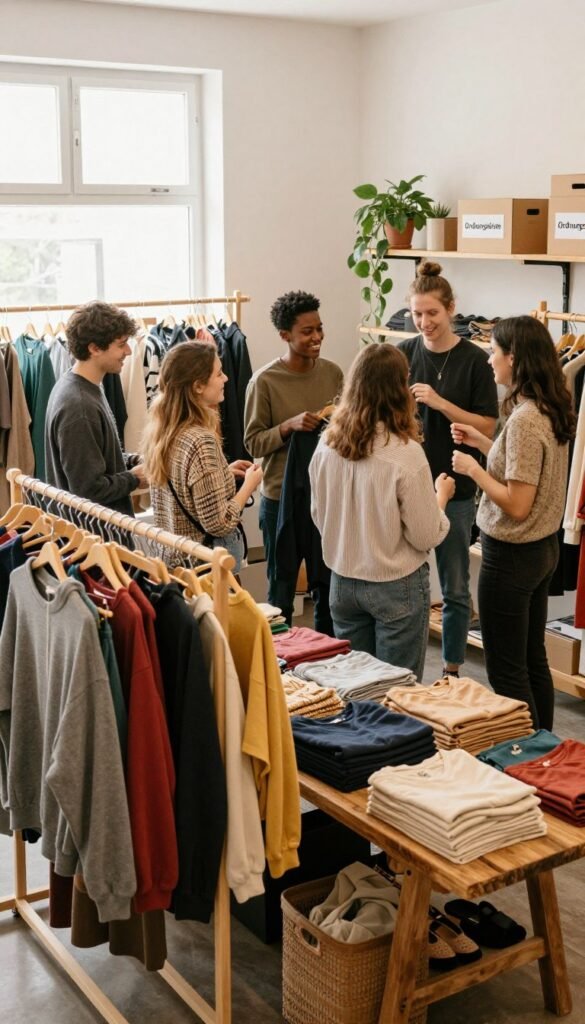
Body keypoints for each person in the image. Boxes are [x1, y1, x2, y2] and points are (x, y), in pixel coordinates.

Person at [451, 316, 576, 730]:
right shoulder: (548, 408)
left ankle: (522, 760)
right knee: (531, 659)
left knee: (506, 670)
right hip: (541, 552)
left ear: (514, 358)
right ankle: (545, 751)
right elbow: (525, 473)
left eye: (494, 352)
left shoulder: (524, 420)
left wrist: (473, 469)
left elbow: (517, 503)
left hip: (512, 556)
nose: (489, 361)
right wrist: (485, 444)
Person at [309, 343, 454, 680]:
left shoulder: (327, 443)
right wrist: (441, 497)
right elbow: (425, 534)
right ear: (398, 389)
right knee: (397, 696)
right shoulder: (406, 454)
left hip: (343, 582)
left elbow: (320, 515)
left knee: (357, 692)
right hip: (396, 584)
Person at [398, 261, 499, 678]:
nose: (424, 322)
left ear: (451, 308)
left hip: (457, 488)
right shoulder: (403, 354)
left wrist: (439, 403)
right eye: (417, 314)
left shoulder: (475, 361)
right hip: (407, 490)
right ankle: (406, 674)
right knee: (408, 587)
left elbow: (489, 426)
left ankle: (452, 672)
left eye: (432, 313)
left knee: (455, 587)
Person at [244, 290, 343, 623]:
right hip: (278, 500)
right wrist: (288, 426)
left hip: (323, 496)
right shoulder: (265, 382)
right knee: (281, 589)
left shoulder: (333, 373)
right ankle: (281, 667)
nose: (316, 337)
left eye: (319, 328)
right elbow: (253, 444)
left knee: (327, 587)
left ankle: (328, 663)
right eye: (307, 331)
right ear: (285, 335)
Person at [142, 341, 262, 571]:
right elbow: (220, 523)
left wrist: (221, 474)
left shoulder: (164, 431)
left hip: (175, 563)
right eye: (218, 374)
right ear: (198, 386)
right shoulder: (200, 440)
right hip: (205, 569)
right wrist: (249, 485)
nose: (226, 378)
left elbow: (183, 487)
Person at [44, 300, 146, 515]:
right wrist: (134, 478)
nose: (128, 351)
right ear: (94, 348)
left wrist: (133, 460)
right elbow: (87, 490)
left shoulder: (84, 387)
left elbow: (95, 458)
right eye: (121, 344)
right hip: (94, 541)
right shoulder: (78, 405)